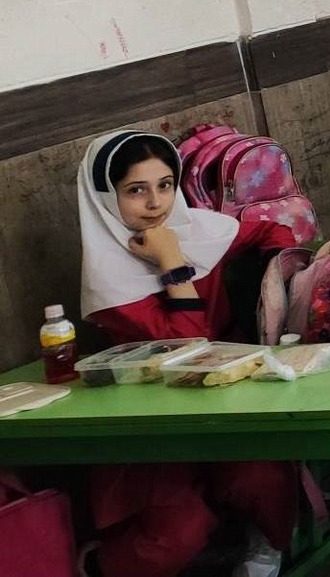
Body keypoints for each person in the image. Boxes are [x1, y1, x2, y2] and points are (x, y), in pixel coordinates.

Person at [76, 131, 299, 577]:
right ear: (104, 198)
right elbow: (188, 346)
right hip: (155, 423)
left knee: (262, 478)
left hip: (226, 398)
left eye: (165, 185)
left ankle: (267, 545)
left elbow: (274, 231)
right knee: (176, 535)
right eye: (135, 190)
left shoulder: (199, 232)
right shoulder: (108, 282)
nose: (156, 203)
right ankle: (95, 565)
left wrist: (272, 282)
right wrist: (172, 262)